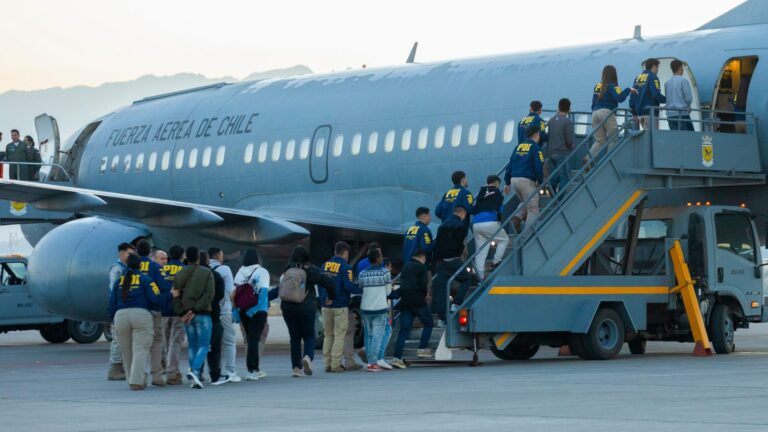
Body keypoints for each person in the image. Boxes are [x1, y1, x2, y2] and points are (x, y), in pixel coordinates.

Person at [109, 254, 166, 390]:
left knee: (126, 351)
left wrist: (112, 319)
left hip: (120, 316)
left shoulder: (119, 281)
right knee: (140, 350)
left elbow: (111, 302)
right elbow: (155, 298)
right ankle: (137, 381)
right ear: (140, 265)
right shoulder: (146, 279)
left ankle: (131, 379)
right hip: (141, 315)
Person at [281, 245, 335, 377]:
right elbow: (328, 282)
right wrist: (330, 297)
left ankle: (296, 368)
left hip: (287, 307)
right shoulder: (310, 270)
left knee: (294, 338)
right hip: (306, 308)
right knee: (309, 336)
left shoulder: (287, 269)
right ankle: (307, 357)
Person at [171, 246, 215, 389]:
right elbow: (209, 294)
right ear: (198, 257)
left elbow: (175, 296)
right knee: (204, 345)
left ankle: (193, 378)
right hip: (202, 313)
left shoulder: (179, 274)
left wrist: (183, 313)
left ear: (186, 257)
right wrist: (194, 310)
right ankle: (195, 371)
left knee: (192, 346)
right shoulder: (207, 272)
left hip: (186, 316)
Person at [321, 241, 362, 373]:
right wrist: (361, 289)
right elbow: (348, 286)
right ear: (345, 253)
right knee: (339, 335)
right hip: (340, 306)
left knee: (328, 335)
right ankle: (335, 364)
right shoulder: (346, 267)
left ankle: (327, 364)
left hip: (325, 306)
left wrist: (324, 299)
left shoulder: (324, 265)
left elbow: (320, 284)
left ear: (335, 251)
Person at [392, 248, 434, 368]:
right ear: (423, 257)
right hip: (418, 301)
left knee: (403, 330)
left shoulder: (406, 266)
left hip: (405, 302)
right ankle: (422, 348)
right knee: (429, 323)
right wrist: (426, 294)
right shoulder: (421, 267)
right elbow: (423, 285)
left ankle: (396, 358)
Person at [233, 248, 271, 381]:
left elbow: (234, 293)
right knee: (254, 340)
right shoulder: (262, 272)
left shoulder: (240, 272)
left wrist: (236, 311)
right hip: (258, 311)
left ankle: (254, 368)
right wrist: (255, 310)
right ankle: (252, 370)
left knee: (250, 340)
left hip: (243, 310)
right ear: (257, 259)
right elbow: (264, 293)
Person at [135, 239, 169, 386]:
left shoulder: (130, 268)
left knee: (139, 346)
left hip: (135, 309)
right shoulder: (155, 267)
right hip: (153, 310)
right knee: (156, 343)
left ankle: (138, 377)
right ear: (150, 252)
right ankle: (157, 376)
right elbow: (163, 287)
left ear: (136, 251)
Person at [431, 205, 471, 323]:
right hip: (453, 259)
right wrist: (461, 252)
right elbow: (459, 244)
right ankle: (456, 303)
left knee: (443, 289)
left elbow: (437, 242)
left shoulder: (442, 225)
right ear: (462, 213)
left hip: (440, 261)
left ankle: (442, 318)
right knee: (466, 279)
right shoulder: (461, 226)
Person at [209, 247, 240, 383]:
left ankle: (205, 372)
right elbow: (229, 291)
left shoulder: (202, 269)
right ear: (219, 255)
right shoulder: (225, 269)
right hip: (223, 310)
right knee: (229, 341)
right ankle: (230, 371)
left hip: (207, 311)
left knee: (209, 344)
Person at [358, 248, 393, 372]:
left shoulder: (362, 273)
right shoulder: (385, 273)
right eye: (381, 256)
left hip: (365, 308)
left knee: (368, 335)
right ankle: (373, 362)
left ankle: (369, 362)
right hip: (379, 308)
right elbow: (388, 291)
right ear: (378, 259)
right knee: (378, 336)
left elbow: (361, 289)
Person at [504, 126, 544, 233]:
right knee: (533, 210)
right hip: (526, 180)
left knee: (525, 202)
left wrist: (507, 182)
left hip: (514, 180)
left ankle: (517, 218)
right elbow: (539, 166)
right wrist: (540, 181)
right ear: (536, 134)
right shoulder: (535, 147)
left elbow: (510, 165)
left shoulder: (518, 147)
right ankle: (527, 236)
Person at [590, 65, 635, 160]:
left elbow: (593, 103)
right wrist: (628, 90)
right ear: (614, 74)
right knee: (613, 138)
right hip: (606, 112)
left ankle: (588, 158)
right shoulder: (613, 86)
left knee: (600, 141)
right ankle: (608, 160)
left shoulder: (598, 86)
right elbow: (620, 98)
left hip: (595, 113)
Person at [107, 242, 135, 381]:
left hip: (124, 308)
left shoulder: (127, 268)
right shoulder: (117, 269)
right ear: (121, 253)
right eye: (129, 254)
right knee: (117, 340)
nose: (131, 257)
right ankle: (114, 369)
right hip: (118, 308)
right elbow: (114, 289)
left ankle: (122, 367)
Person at [472, 175, 508, 280]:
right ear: (496, 182)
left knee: (480, 252)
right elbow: (500, 211)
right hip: (489, 222)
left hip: (476, 224)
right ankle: (496, 262)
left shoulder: (480, 193)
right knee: (504, 239)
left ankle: (479, 279)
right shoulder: (497, 193)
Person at [160, 245, 185, 385]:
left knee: (166, 342)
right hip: (178, 310)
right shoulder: (183, 269)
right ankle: (172, 373)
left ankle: (165, 369)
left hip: (163, 310)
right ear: (182, 255)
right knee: (175, 342)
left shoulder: (162, 269)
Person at [199, 251, 225, 385]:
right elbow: (220, 294)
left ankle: (197, 373)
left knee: (197, 345)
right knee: (214, 347)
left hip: (195, 314)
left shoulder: (190, 275)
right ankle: (215, 374)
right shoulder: (215, 275)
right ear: (208, 260)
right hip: (213, 314)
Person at [546, 98, 575, 193]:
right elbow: (569, 140)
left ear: (558, 107)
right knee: (565, 177)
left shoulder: (551, 120)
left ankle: (551, 186)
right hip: (561, 153)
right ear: (569, 109)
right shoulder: (567, 122)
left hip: (551, 152)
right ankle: (560, 200)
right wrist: (572, 146)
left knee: (558, 173)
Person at [630, 58, 667, 130]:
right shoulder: (653, 77)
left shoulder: (638, 78)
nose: (657, 70)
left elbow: (632, 96)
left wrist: (634, 113)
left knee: (645, 137)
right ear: (654, 67)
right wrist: (668, 100)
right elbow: (656, 94)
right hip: (650, 113)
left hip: (639, 114)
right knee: (652, 138)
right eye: (657, 67)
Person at [665, 59, 694, 131]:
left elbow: (667, 98)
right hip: (682, 114)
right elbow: (688, 98)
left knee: (675, 138)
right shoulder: (683, 80)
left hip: (670, 115)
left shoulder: (667, 83)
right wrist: (688, 106)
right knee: (690, 137)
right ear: (680, 67)